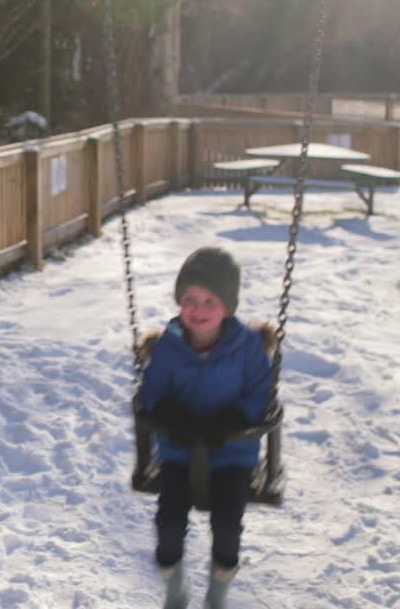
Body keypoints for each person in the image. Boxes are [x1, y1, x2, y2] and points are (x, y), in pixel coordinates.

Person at [139, 247, 274, 609]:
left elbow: (260, 394)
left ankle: (217, 594)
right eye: (189, 300)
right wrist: (169, 415)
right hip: (179, 448)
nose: (198, 311)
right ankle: (174, 590)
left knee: (228, 526)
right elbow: (151, 393)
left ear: (227, 307)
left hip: (231, 451)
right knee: (168, 525)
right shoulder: (168, 346)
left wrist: (234, 420)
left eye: (209, 301)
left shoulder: (247, 348)